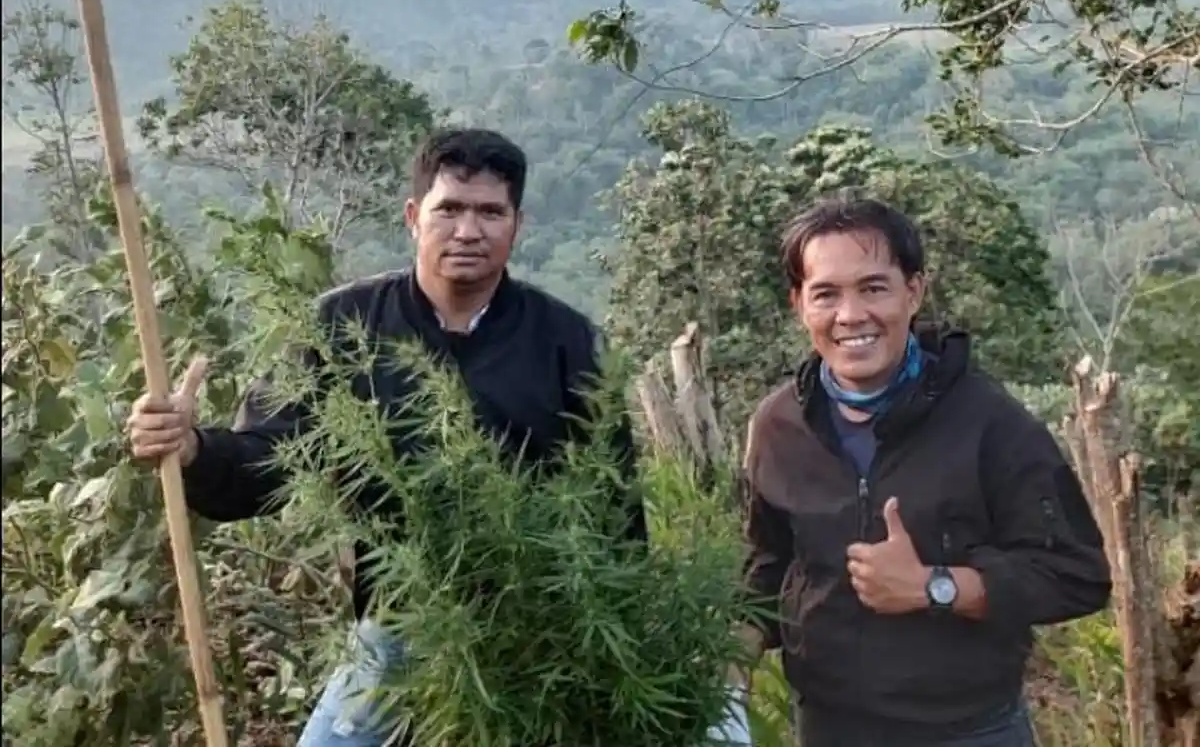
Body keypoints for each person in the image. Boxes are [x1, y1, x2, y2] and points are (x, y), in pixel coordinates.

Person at [126, 128, 648, 747]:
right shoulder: (341, 327)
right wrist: (191, 450)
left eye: (490, 212)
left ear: (518, 223)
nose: (468, 231)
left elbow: (615, 516)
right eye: (448, 209)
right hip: (398, 628)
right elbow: (266, 462)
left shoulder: (568, 343)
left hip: (537, 635)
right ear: (412, 216)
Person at [735, 194, 1112, 746]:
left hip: (969, 731)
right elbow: (769, 567)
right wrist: (729, 663)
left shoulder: (988, 422)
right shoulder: (779, 426)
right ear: (799, 304)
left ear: (914, 291)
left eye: (873, 288)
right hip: (827, 726)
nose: (851, 315)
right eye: (826, 294)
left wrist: (935, 587)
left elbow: (1077, 576)